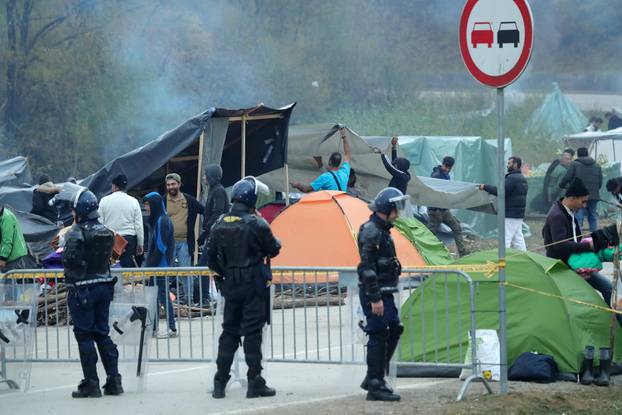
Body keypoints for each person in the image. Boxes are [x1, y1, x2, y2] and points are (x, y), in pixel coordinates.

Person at [207, 176, 281, 399]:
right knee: (252, 332)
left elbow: (210, 257)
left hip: (231, 283)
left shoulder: (219, 223)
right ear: (252, 200)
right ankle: (254, 381)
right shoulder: (256, 222)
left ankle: (220, 382)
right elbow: (275, 248)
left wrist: (222, 278)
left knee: (229, 332)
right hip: (253, 284)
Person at [61, 189, 122, 398]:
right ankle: (114, 381)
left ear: (80, 210)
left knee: (84, 335)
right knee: (102, 333)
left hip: (83, 289)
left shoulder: (76, 232)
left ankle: (91, 383)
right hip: (104, 286)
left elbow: (69, 260)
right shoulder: (106, 231)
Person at [543, 177, 622, 329]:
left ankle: (618, 324)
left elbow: (573, 239)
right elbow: (558, 247)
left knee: (607, 288)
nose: (585, 206)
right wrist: (588, 247)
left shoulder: (568, 212)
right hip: (565, 267)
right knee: (592, 294)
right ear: (572, 198)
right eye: (583, 201)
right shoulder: (557, 215)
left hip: (578, 262)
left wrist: (592, 243)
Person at [357, 187, 409, 402]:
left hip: (385, 289)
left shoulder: (383, 230)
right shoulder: (371, 231)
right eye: (395, 209)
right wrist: (375, 298)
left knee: (395, 328)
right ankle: (376, 384)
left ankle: (373, 376)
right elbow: (366, 268)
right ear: (387, 208)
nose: (397, 214)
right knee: (378, 334)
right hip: (376, 292)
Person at [163, 173, 205, 305]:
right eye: (169, 185)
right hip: (168, 243)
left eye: (173, 184)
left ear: (179, 184)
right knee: (165, 273)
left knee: (186, 272)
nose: (171, 187)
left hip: (185, 242)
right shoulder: (163, 201)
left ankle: (189, 300)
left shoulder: (189, 200)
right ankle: (164, 300)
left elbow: (205, 211)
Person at [143, 192, 177, 339]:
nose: (147, 208)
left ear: (154, 204)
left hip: (160, 266)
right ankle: (154, 328)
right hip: (156, 266)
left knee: (163, 297)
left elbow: (161, 247)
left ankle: (171, 328)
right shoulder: (159, 220)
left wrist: (151, 265)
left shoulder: (162, 221)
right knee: (154, 298)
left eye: (148, 205)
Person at [197, 164, 230, 306]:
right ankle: (218, 297)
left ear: (212, 176)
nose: (204, 177)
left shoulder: (219, 191)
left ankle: (206, 297)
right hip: (214, 234)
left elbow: (217, 214)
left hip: (216, 235)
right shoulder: (213, 190)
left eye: (206, 175)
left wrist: (205, 233)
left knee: (203, 266)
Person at [479, 157, 528, 250]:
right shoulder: (522, 178)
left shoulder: (512, 178)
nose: (507, 165)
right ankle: (523, 257)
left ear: (515, 164)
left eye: (509, 163)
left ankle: (503, 260)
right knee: (518, 239)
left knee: (505, 238)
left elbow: (500, 191)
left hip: (510, 214)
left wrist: (485, 187)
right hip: (518, 214)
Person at [98, 174, 144, 268]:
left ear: (114, 186)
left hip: (110, 240)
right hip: (129, 240)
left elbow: (99, 223)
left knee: (111, 268)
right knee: (127, 270)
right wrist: (140, 244)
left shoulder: (104, 201)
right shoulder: (133, 201)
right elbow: (138, 226)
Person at [427, 156, 469, 257]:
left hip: (444, 210)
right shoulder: (436, 176)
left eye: (449, 168)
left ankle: (463, 253)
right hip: (435, 210)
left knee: (457, 228)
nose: (448, 169)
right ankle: (425, 253)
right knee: (429, 234)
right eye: (446, 167)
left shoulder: (446, 176)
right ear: (443, 164)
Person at [291, 128, 351, 193]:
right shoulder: (344, 173)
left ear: (330, 162)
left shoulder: (325, 177)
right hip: (341, 202)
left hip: (331, 203)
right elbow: (347, 155)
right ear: (339, 163)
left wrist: (297, 185)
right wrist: (344, 136)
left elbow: (306, 189)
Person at [559, 147, 602, 232]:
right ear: (587, 154)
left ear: (578, 155)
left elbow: (567, 177)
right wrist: (594, 190)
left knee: (579, 217)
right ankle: (595, 238)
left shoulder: (575, 164)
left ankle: (578, 239)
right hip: (594, 195)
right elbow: (600, 182)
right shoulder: (597, 166)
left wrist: (562, 185)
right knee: (592, 216)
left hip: (579, 196)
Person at [0, 205, 30, 272]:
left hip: (12, 256)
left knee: (7, 281)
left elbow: (7, 241)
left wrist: (2, 258)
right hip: (9, 254)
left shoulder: (6, 218)